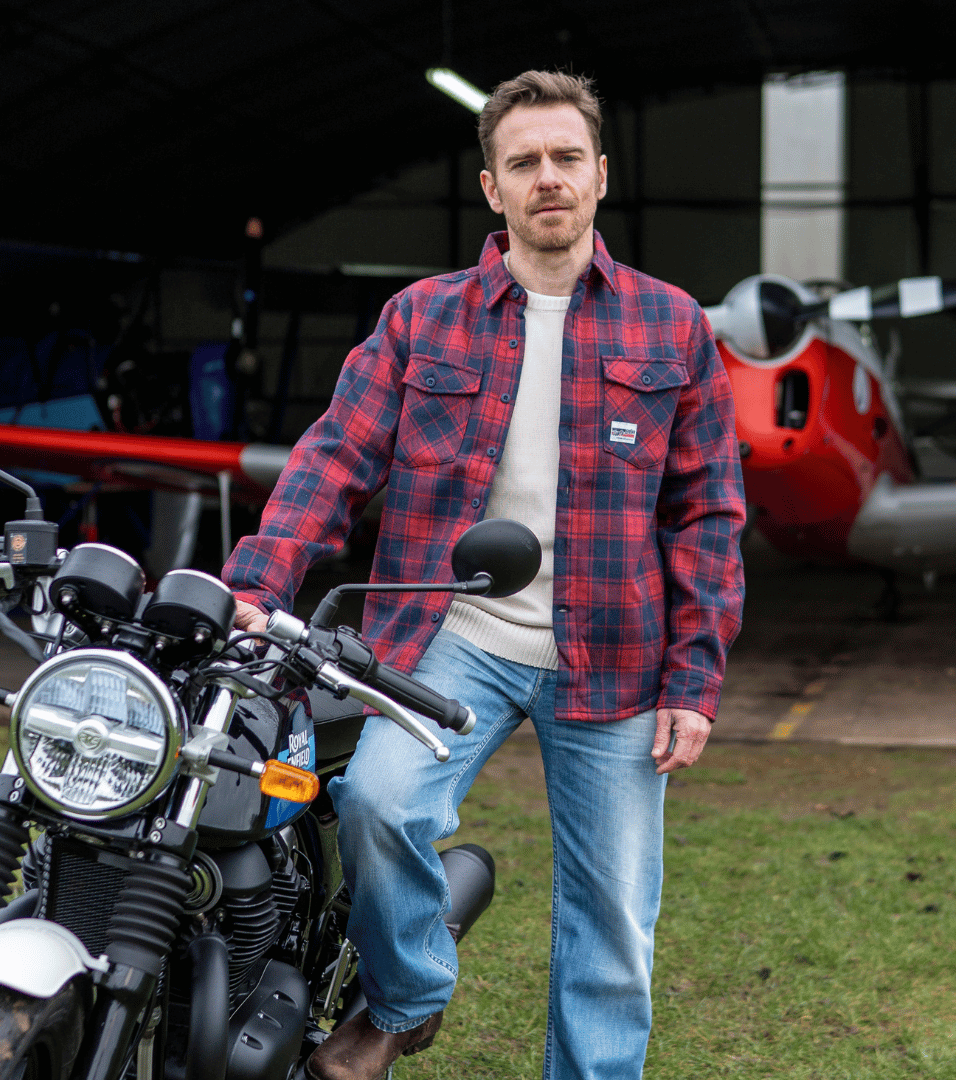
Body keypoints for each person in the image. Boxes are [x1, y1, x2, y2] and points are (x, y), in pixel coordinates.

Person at [223, 70, 745, 1080]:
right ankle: (409, 995)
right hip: (448, 638)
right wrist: (259, 584)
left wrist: (695, 680)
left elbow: (706, 519)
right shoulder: (423, 319)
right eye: (523, 163)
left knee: (612, 927)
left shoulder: (671, 326)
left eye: (565, 158)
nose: (547, 178)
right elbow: (335, 458)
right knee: (379, 801)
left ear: (600, 174)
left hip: (617, 659)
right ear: (492, 189)